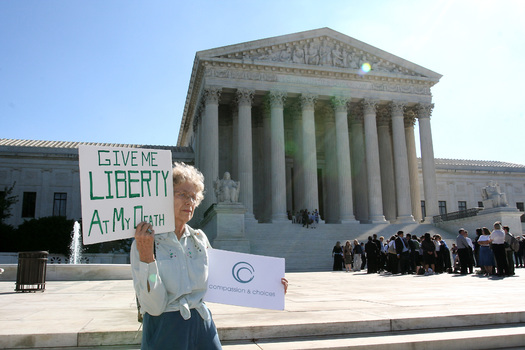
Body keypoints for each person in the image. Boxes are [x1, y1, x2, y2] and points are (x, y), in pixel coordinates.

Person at [131, 162, 288, 349]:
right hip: (165, 329)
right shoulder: (146, 242)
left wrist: (270, 284)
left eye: (193, 196)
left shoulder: (199, 238)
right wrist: (148, 258)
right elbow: (153, 306)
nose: (189, 201)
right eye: (181, 194)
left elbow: (223, 281)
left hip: (203, 327)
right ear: (164, 198)